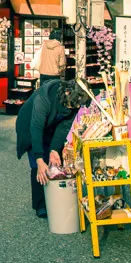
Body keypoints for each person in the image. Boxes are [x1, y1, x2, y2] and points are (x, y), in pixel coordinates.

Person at [15, 79, 87, 218]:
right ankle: (40, 204)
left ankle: (56, 198)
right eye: (72, 104)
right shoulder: (44, 97)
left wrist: (54, 149)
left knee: (54, 160)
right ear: (67, 93)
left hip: (52, 126)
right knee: (38, 164)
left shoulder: (74, 100)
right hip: (30, 126)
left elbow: (64, 127)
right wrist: (39, 159)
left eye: (77, 105)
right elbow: (36, 128)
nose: (74, 108)